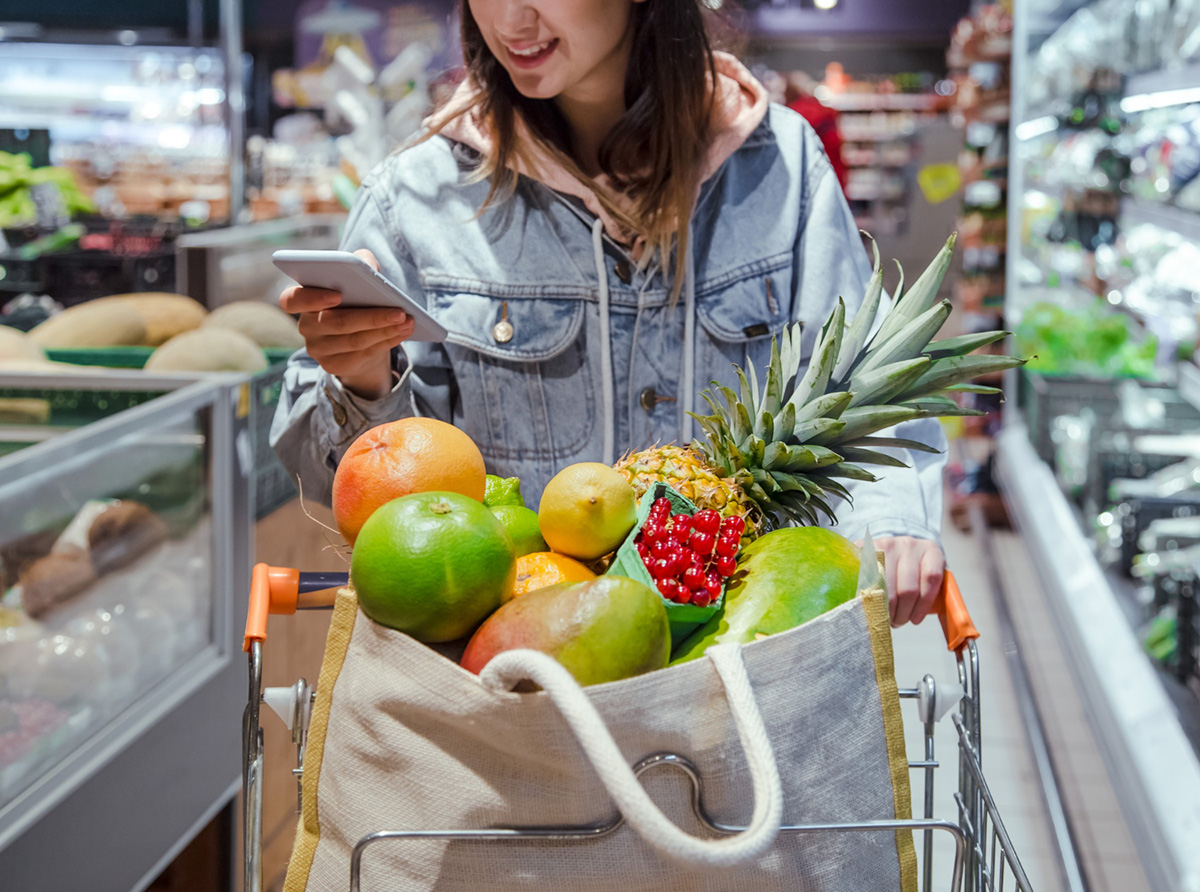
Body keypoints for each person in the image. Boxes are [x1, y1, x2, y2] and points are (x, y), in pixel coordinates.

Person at [271, 0, 948, 627]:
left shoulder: (781, 166)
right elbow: (369, 504)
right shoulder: (417, 195)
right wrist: (362, 381)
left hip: (747, 656)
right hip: (517, 681)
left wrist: (892, 520)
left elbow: (858, 380)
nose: (511, 18)